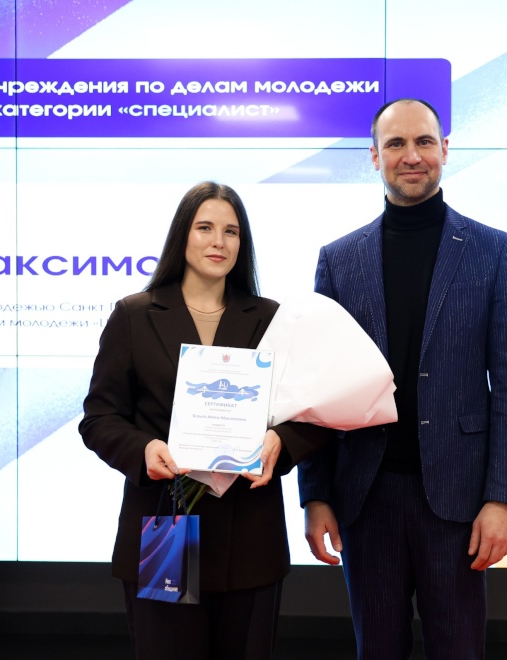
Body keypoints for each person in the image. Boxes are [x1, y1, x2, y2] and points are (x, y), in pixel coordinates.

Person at [297, 98, 507, 659]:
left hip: (459, 499)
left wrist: (502, 498)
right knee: (378, 649)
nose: (411, 156)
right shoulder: (339, 260)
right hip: (367, 496)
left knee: (458, 650)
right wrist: (316, 495)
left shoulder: (494, 251)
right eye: (396, 144)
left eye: (424, 142)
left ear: (445, 150)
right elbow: (316, 389)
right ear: (374, 155)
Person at [79, 181, 331, 660]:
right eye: (205, 228)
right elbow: (100, 418)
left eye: (231, 231)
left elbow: (310, 414)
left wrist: (282, 441)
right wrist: (143, 450)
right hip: (165, 530)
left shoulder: (271, 319)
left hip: (250, 535)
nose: (219, 241)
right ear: (183, 235)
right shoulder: (134, 315)